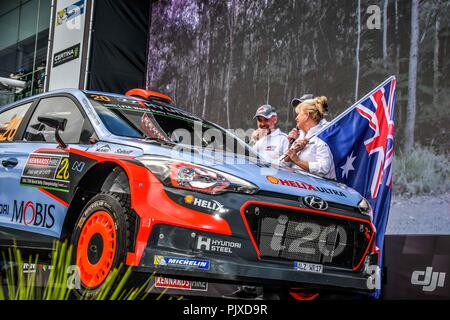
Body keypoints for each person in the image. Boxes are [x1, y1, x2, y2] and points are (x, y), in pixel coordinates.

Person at [281, 96, 336, 179]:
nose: (296, 118)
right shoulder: (300, 137)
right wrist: (293, 151)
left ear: (306, 115)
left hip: (314, 189)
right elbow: (280, 164)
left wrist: (297, 160)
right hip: (293, 183)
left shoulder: (323, 136)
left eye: (299, 114)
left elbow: (324, 169)